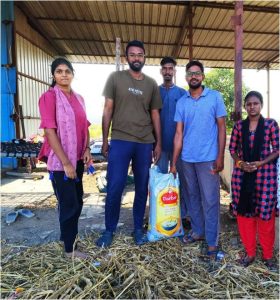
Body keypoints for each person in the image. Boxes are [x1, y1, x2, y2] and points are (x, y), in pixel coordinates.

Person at [96, 40, 162, 247]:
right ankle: (109, 230)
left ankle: (137, 230)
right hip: (121, 139)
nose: (136, 58)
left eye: (140, 55)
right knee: (115, 186)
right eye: (132, 54)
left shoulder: (151, 84)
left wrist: (158, 143)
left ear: (144, 58)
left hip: (144, 142)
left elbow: (155, 114)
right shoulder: (115, 78)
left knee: (142, 187)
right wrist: (105, 139)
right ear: (127, 58)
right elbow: (107, 109)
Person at [170, 60, 227, 258]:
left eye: (197, 73)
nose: (193, 76)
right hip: (187, 159)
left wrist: (220, 156)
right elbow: (179, 134)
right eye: (190, 73)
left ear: (202, 76)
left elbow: (221, 127)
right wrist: (174, 162)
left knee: (210, 200)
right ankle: (197, 232)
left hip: (208, 159)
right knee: (192, 196)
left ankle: (212, 242)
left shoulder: (214, 97)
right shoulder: (182, 102)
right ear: (186, 77)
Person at [38, 57, 91, 259]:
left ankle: (67, 237)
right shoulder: (49, 97)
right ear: (53, 75)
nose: (63, 74)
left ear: (72, 74)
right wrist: (66, 163)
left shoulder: (79, 98)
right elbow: (50, 132)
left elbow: (84, 125)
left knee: (76, 200)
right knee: (70, 204)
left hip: (77, 158)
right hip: (60, 162)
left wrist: (86, 149)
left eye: (67, 71)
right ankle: (70, 251)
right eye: (59, 71)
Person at [229, 91, 279, 270]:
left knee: (266, 216)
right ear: (245, 107)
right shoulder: (238, 127)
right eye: (248, 104)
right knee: (245, 216)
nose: (252, 107)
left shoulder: (271, 125)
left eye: (255, 103)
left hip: (265, 176)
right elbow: (232, 149)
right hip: (242, 177)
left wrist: (261, 163)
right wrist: (240, 163)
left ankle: (267, 255)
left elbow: (277, 149)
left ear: (261, 105)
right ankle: (250, 253)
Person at [156, 56, 190, 229]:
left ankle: (182, 216)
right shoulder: (154, 92)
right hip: (159, 148)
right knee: (160, 181)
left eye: (171, 68)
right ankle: (159, 215)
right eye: (165, 68)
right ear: (161, 71)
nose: (168, 71)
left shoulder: (183, 94)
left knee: (181, 181)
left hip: (179, 148)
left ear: (175, 72)